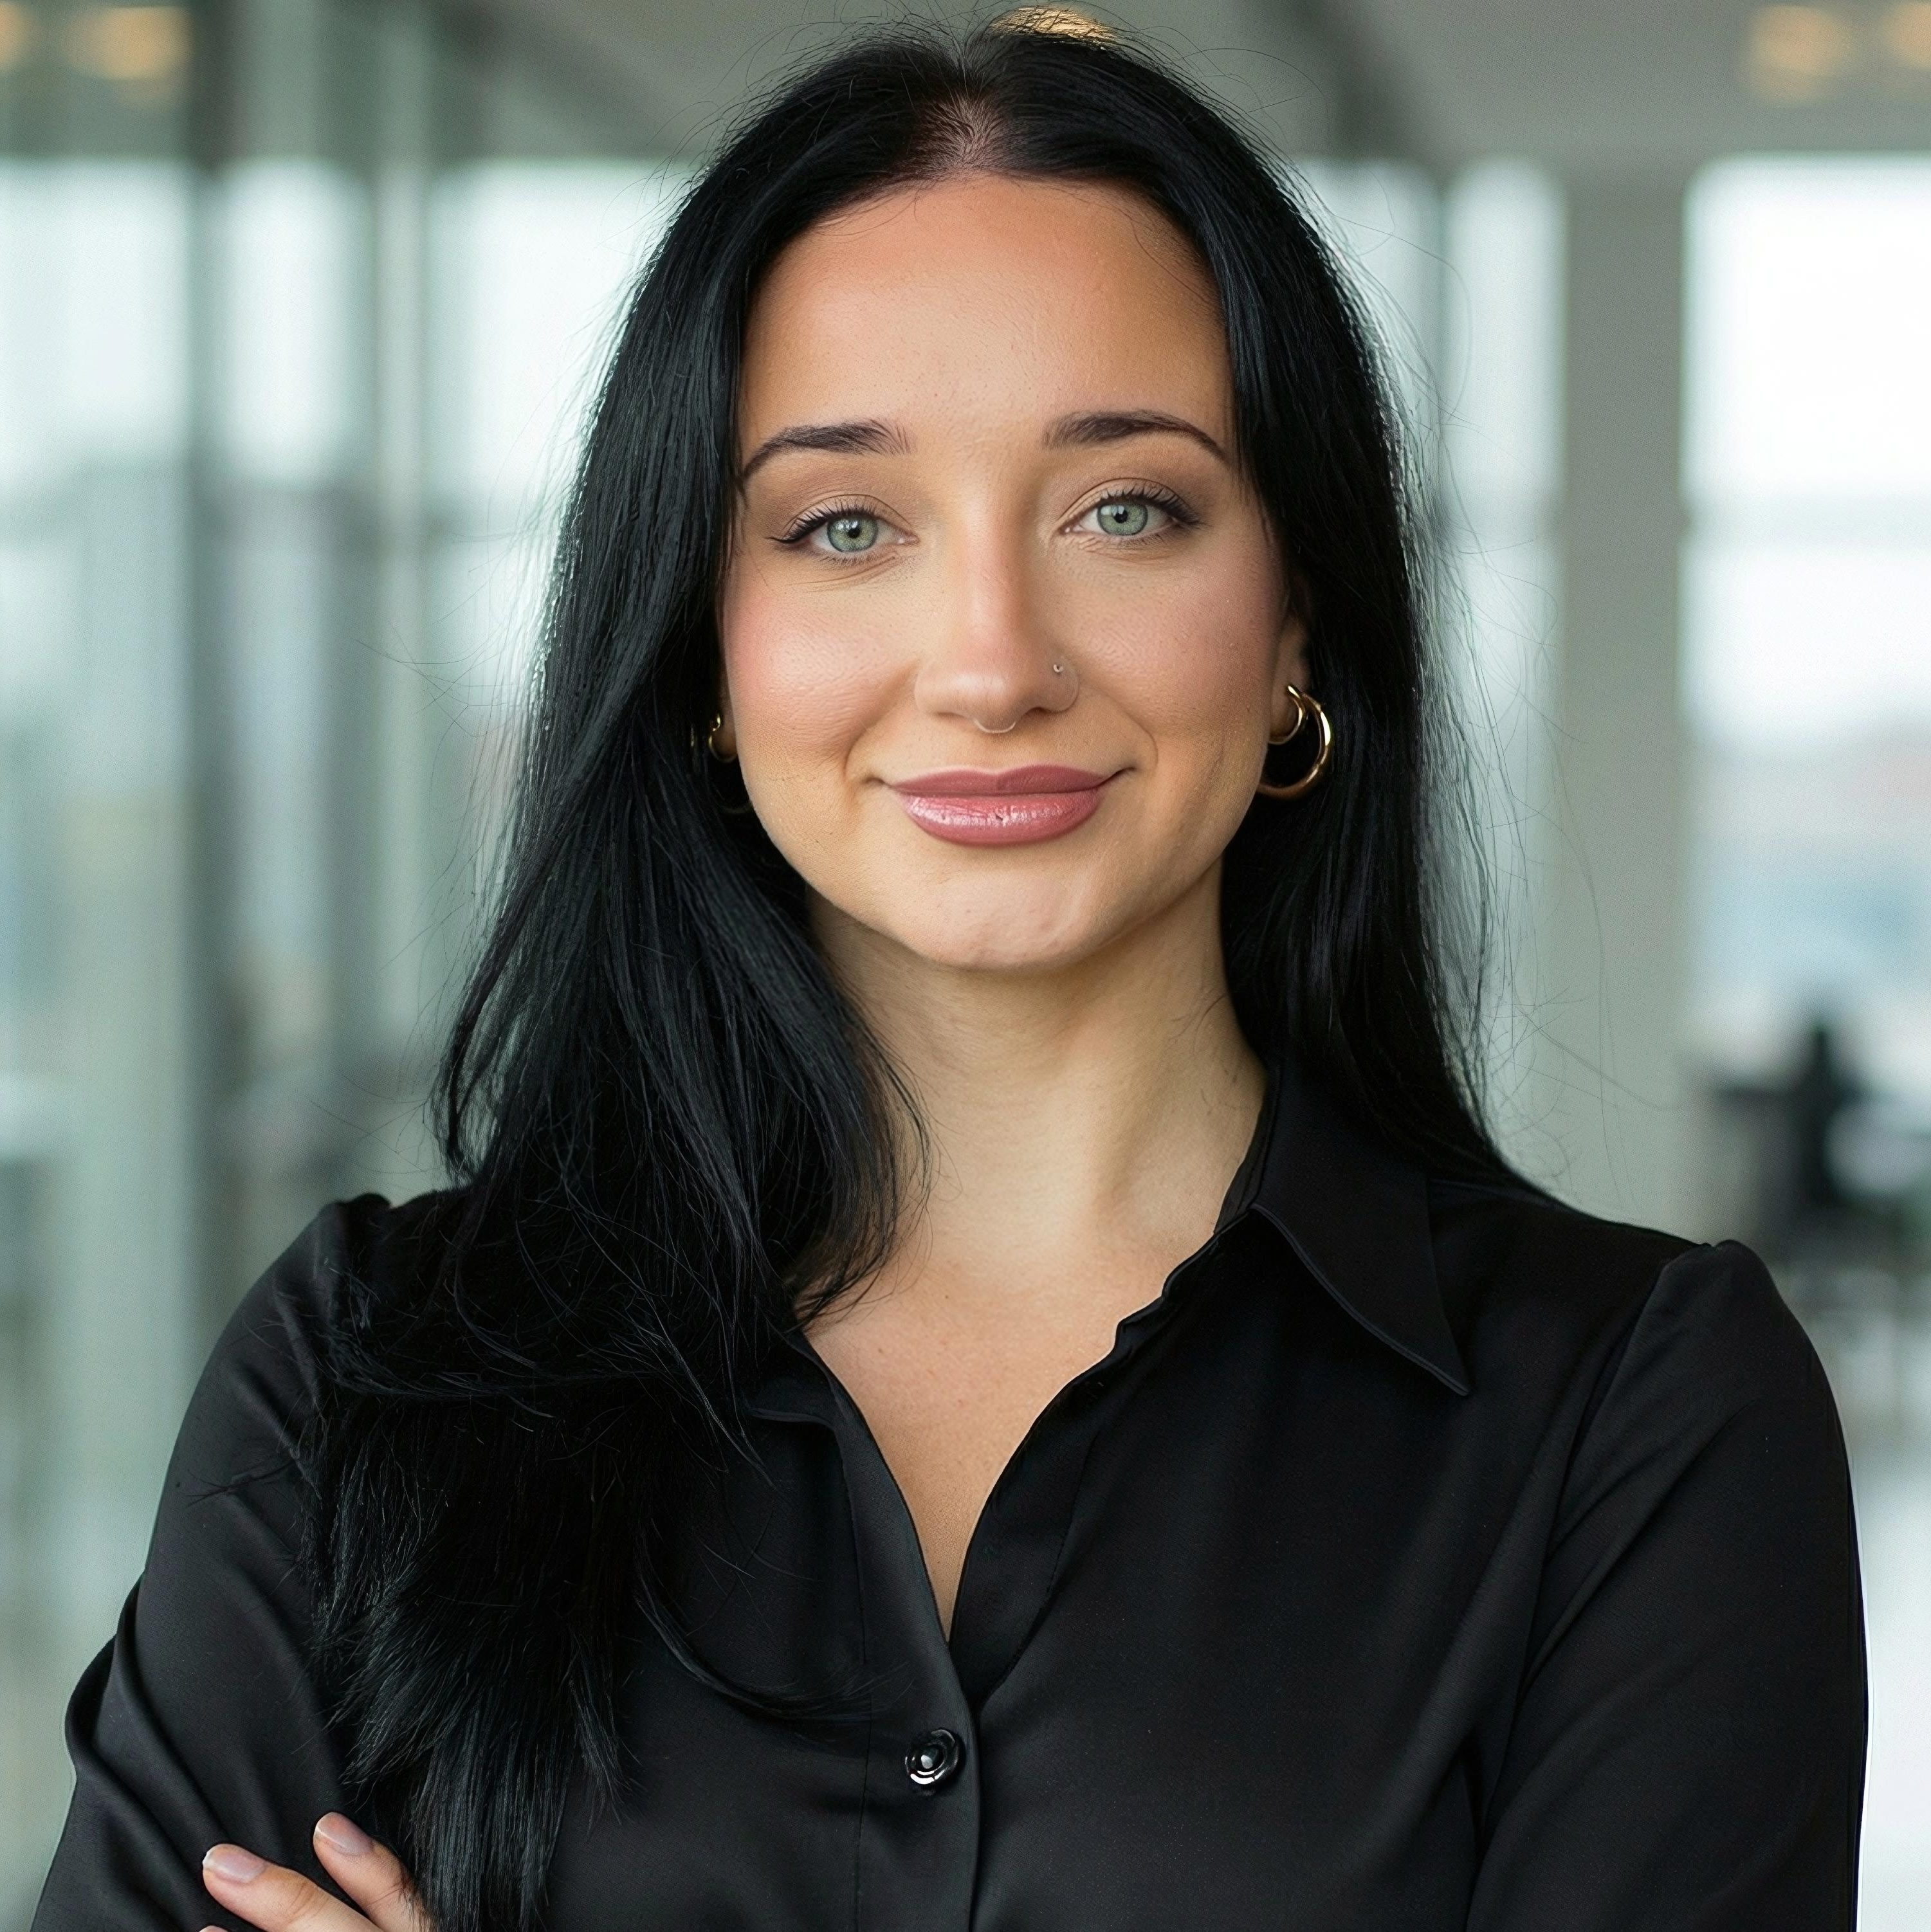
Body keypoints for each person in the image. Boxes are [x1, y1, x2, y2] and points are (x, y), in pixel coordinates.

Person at [34, 23, 1865, 1932]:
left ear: (1295, 614)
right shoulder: (360, 1379)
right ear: (702, 661)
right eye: (845, 526)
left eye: (1125, 509)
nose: (990, 660)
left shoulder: (1637, 1424)